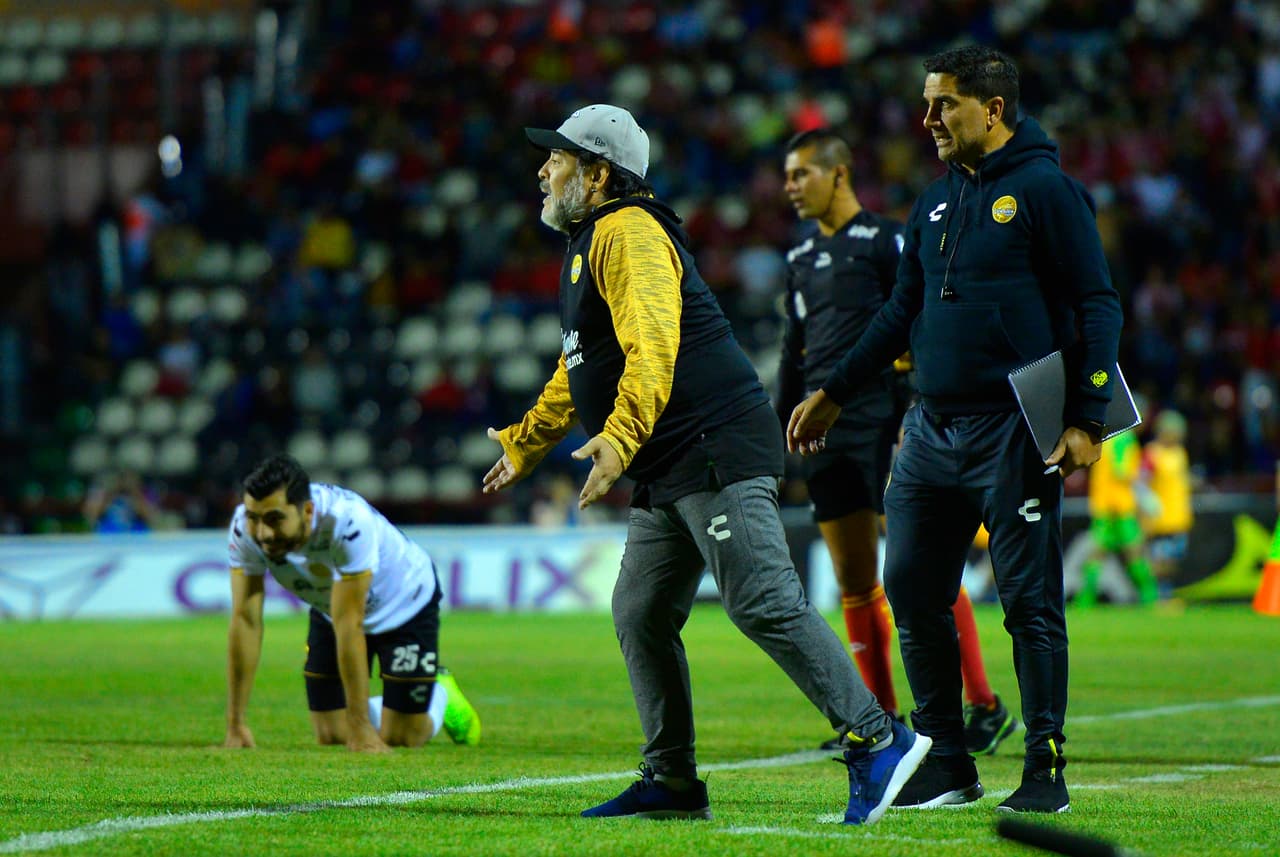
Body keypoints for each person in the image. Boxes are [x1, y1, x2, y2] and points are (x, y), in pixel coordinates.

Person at [484, 103, 929, 824]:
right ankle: (671, 779)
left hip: (711, 443)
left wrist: (619, 437)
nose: (543, 170)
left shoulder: (627, 230)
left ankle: (879, 739)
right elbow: (581, 365)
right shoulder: (591, 240)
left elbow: (654, 343)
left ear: (597, 175)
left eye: (557, 158)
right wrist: (527, 440)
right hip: (672, 458)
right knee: (640, 610)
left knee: (761, 600)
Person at [788, 46, 1123, 814]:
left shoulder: (1047, 190)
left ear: (993, 109)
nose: (928, 119)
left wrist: (1087, 416)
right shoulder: (934, 203)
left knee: (1029, 603)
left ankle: (1045, 766)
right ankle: (946, 760)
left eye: (944, 104)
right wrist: (834, 392)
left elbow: (1098, 303)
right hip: (929, 428)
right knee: (911, 589)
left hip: (1015, 426)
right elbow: (898, 312)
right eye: (927, 103)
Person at [779, 128, 1017, 755]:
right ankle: (877, 720)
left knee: (921, 566)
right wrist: (781, 429)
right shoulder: (799, 255)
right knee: (854, 578)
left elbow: (915, 317)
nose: (790, 187)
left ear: (838, 172)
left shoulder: (887, 240)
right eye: (787, 177)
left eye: (801, 174)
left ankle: (983, 706)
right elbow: (793, 351)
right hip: (826, 432)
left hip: (886, 419)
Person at [224, 454, 480, 752]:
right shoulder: (244, 531)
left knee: (403, 736)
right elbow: (246, 620)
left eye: (274, 519)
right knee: (332, 733)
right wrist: (235, 723)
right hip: (333, 605)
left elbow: (350, 623)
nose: (263, 533)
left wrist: (360, 727)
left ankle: (440, 692)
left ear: (307, 511)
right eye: (254, 518)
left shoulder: (347, 521)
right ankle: (385, 709)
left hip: (403, 603)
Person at [1077, 431, 1158, 607]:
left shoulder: (1106, 437)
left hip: (1103, 506)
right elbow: (1120, 471)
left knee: (1096, 554)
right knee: (1134, 551)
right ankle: (1150, 597)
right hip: (1120, 507)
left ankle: (1085, 600)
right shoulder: (1125, 439)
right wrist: (1142, 480)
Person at [1141, 409, 1194, 598]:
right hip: (1160, 519)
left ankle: (1165, 593)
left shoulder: (1180, 453)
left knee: (1173, 560)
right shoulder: (1152, 453)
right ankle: (1157, 596)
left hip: (1179, 517)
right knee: (1159, 559)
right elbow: (1141, 484)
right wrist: (1149, 507)